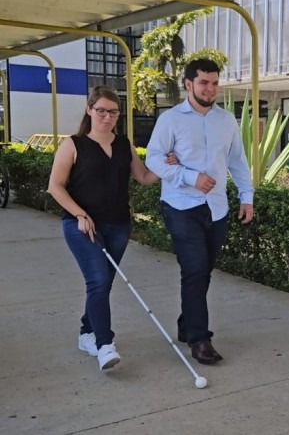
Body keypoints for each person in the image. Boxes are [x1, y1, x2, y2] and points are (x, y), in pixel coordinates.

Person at [48, 86, 176, 371]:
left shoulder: (123, 144)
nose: (107, 117)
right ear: (89, 111)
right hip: (81, 225)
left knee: (103, 283)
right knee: (97, 281)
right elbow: (55, 187)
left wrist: (167, 167)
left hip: (118, 224)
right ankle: (105, 345)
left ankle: (86, 333)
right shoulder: (73, 144)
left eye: (113, 112)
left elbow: (143, 177)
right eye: (101, 111)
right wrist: (80, 214)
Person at [145, 58, 254, 365]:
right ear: (188, 84)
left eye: (215, 83)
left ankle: (186, 323)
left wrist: (247, 197)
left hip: (216, 207)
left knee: (203, 271)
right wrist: (191, 177)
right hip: (180, 205)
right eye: (204, 82)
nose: (211, 89)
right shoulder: (170, 120)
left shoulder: (226, 120)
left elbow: (237, 162)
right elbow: (153, 159)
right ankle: (200, 339)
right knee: (194, 268)